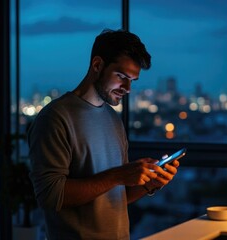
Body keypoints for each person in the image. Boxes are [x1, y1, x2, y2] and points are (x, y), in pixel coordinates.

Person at [27, 29, 180, 240]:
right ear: (97, 65)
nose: (127, 88)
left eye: (132, 81)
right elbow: (50, 196)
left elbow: (115, 194)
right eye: (121, 77)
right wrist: (118, 175)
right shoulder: (55, 118)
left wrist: (149, 184)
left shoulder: (113, 119)